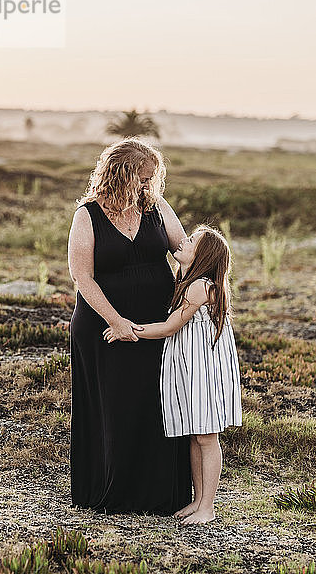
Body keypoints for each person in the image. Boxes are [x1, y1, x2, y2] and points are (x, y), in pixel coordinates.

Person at [68, 137, 192, 515]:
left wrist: (204, 268)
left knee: (155, 405)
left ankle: (157, 495)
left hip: (156, 327)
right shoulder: (87, 215)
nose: (147, 186)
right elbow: (83, 278)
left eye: (152, 179)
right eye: (142, 178)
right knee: (113, 406)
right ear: (121, 174)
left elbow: (184, 250)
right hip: (103, 328)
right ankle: (111, 493)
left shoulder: (156, 207)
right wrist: (117, 321)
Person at [103, 224, 243, 524]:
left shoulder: (199, 286)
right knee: (197, 436)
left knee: (207, 437)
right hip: (195, 367)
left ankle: (208, 506)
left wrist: (127, 329)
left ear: (202, 256)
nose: (183, 240)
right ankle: (197, 500)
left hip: (204, 370)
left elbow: (168, 328)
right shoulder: (189, 280)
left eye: (191, 240)